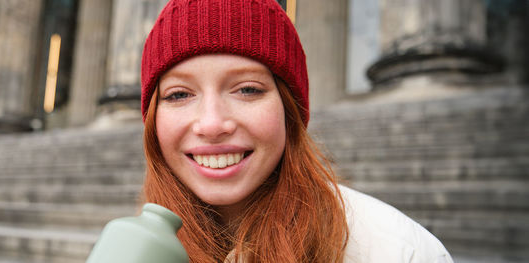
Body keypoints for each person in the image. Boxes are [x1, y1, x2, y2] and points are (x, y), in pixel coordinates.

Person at [139, 0, 453, 262]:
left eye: (247, 89)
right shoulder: (135, 249)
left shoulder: (401, 252)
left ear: (290, 110)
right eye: (179, 94)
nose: (211, 124)